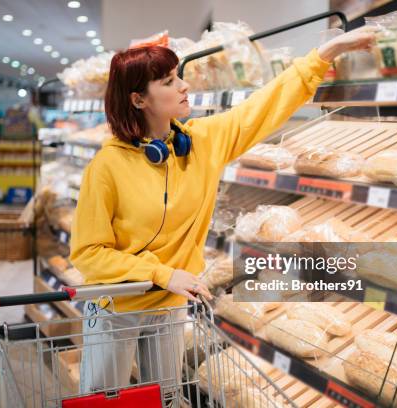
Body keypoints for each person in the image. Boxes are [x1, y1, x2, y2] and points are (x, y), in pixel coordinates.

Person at [70, 27, 376, 402]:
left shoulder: (199, 142)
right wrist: (162, 274)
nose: (183, 86)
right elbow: (87, 254)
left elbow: (261, 108)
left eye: (178, 76)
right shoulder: (107, 166)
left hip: (169, 306)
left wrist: (326, 53)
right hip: (118, 304)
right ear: (138, 99)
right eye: (168, 81)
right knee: (105, 400)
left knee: (164, 397)